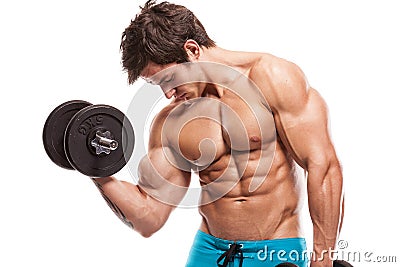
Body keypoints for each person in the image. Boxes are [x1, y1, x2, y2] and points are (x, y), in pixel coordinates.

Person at [92, 1, 344, 266]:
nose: (167, 94)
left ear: (191, 50)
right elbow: (148, 217)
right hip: (209, 252)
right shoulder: (171, 120)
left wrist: (323, 259)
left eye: (168, 79)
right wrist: (94, 167)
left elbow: (323, 168)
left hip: (276, 253)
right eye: (157, 85)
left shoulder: (273, 77)